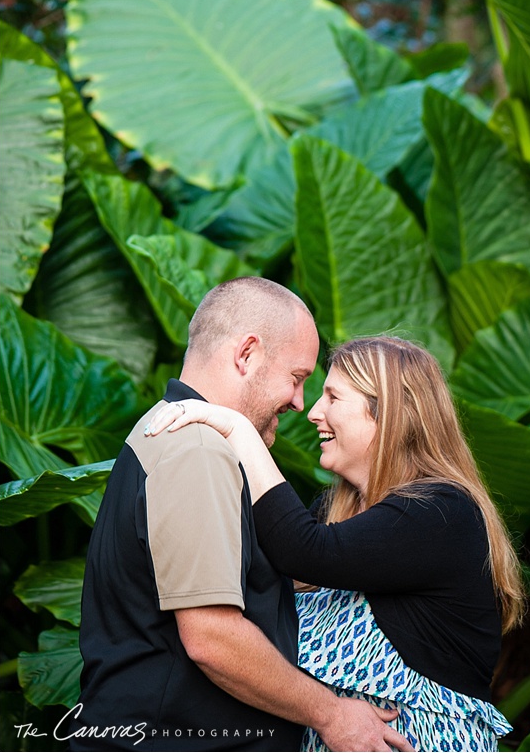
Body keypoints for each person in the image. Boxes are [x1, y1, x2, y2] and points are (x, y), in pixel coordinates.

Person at [75, 277, 410, 751]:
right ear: (246, 354)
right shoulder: (197, 448)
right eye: (296, 378)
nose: (299, 402)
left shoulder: (167, 427)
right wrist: (332, 715)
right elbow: (212, 636)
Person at [146, 335, 525, 752]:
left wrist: (236, 427)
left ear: (389, 412)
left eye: (332, 397)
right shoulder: (337, 511)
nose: (313, 412)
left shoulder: (441, 512)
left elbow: (305, 552)